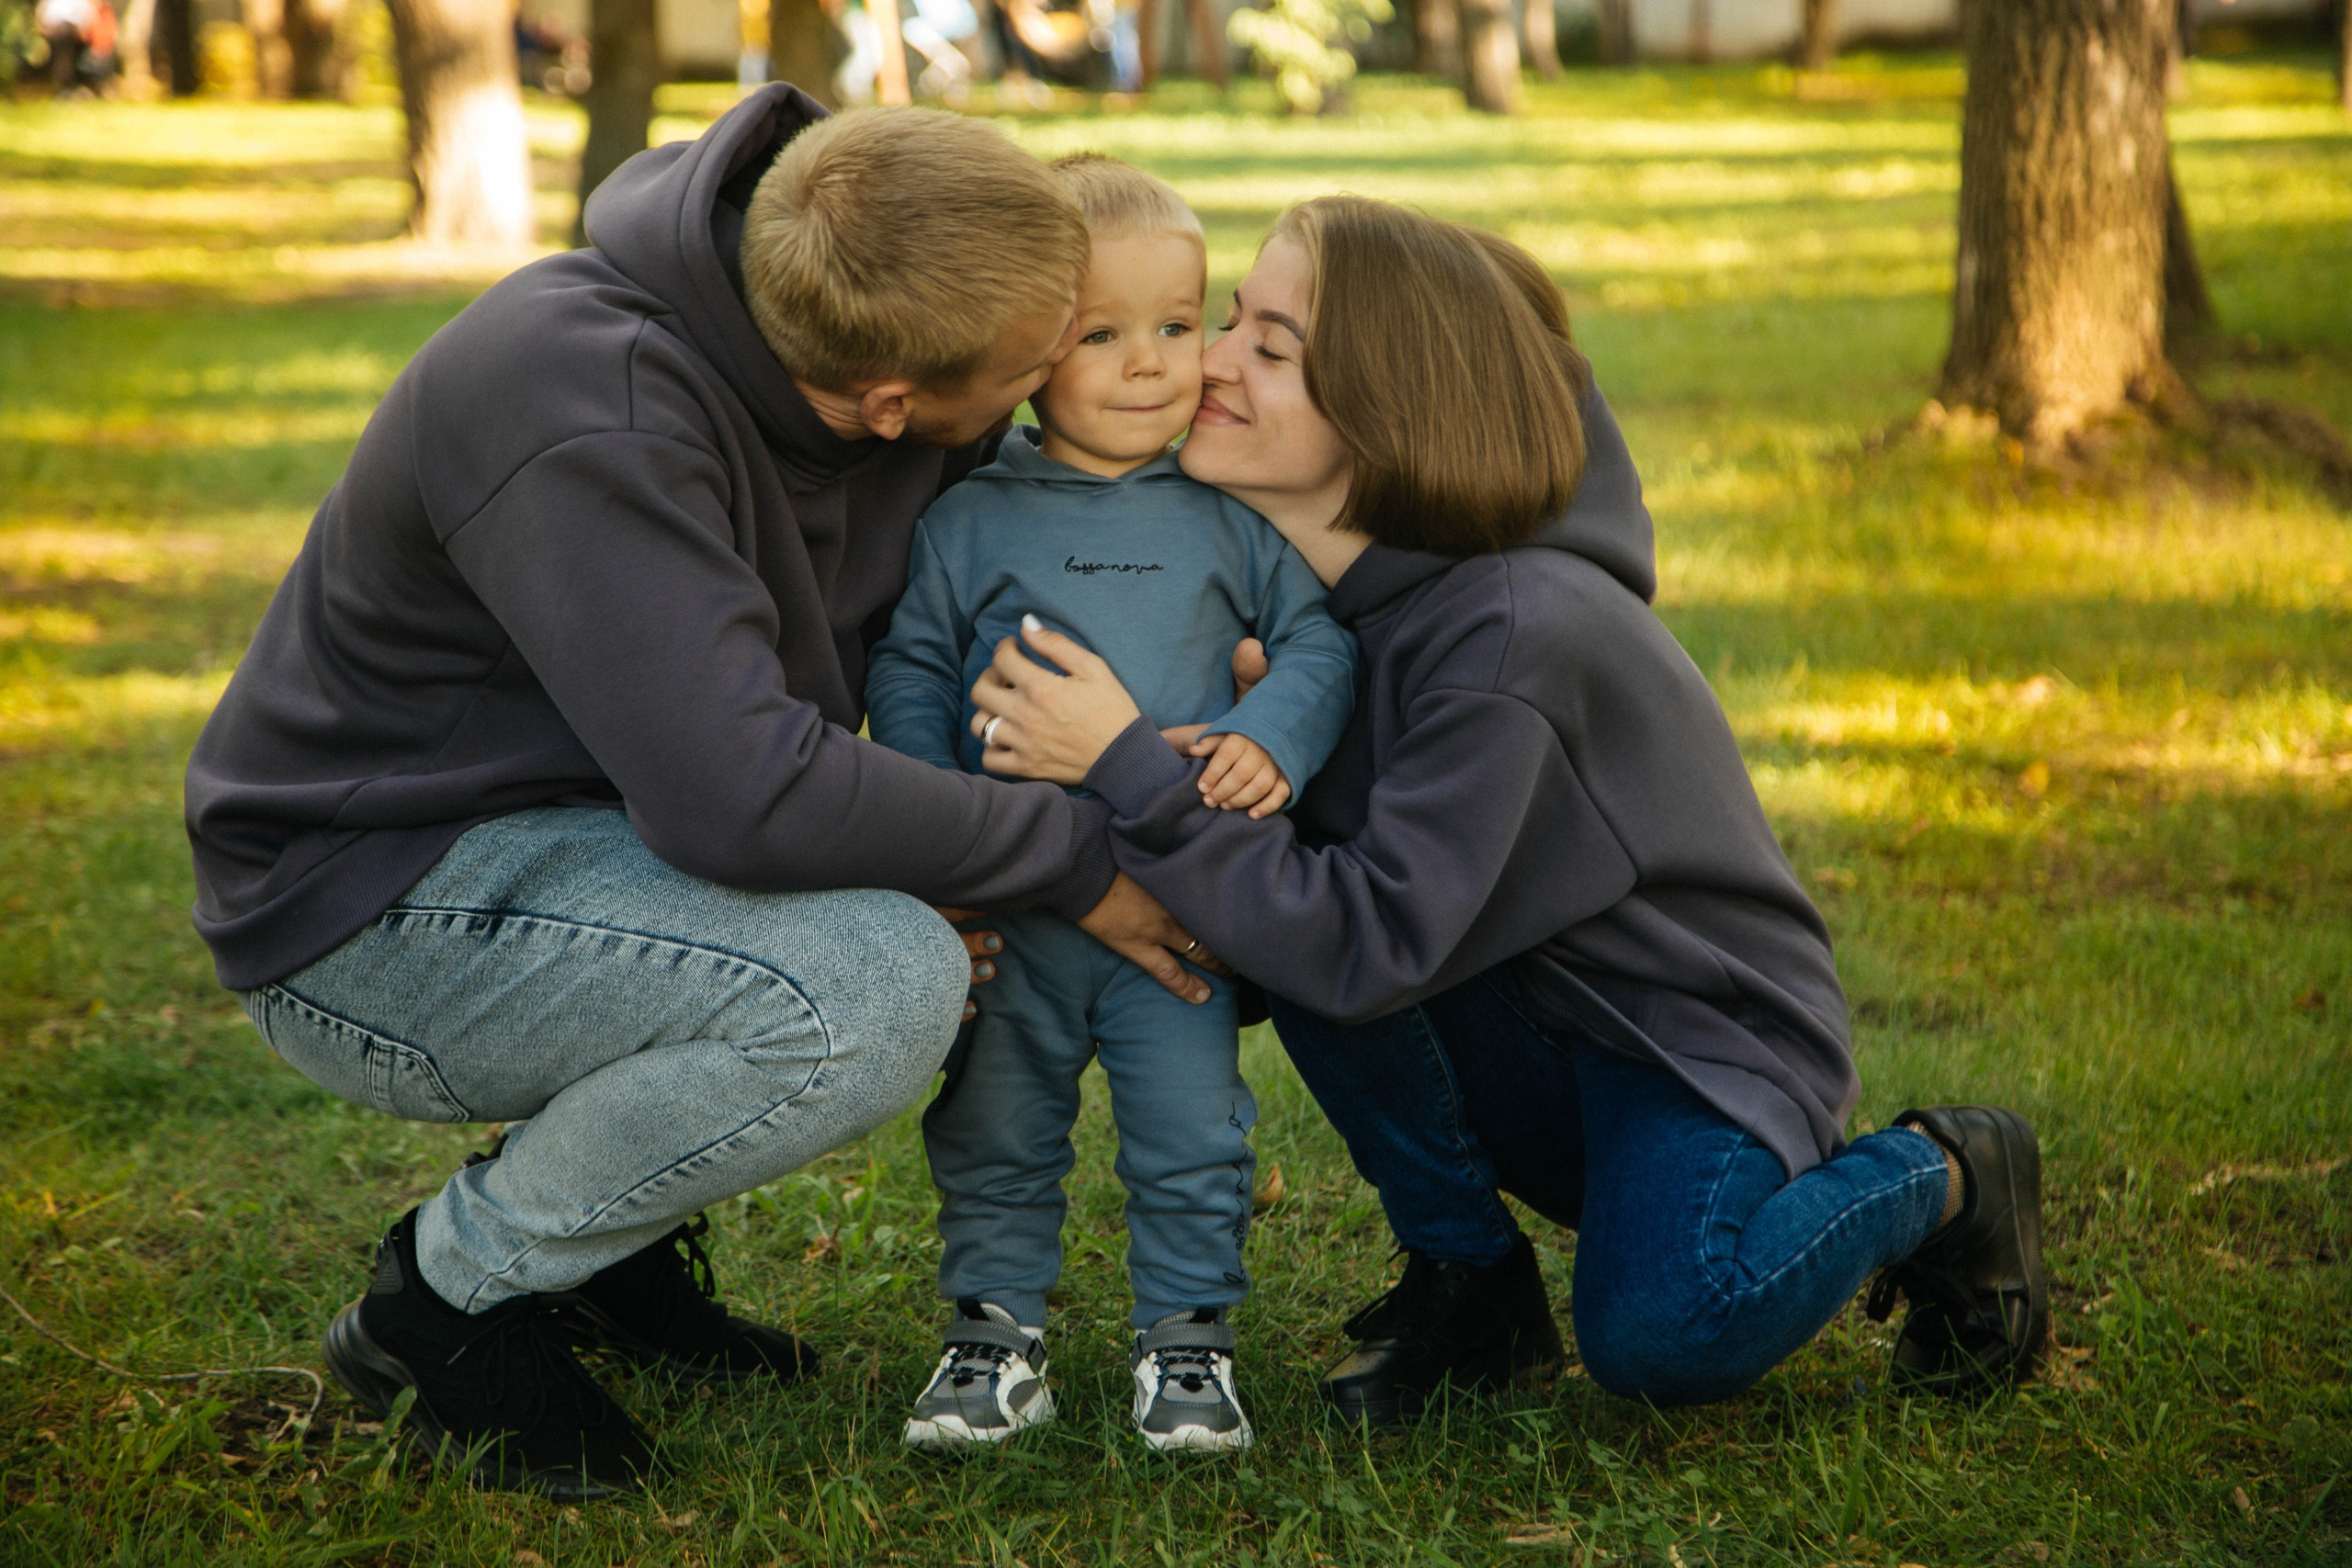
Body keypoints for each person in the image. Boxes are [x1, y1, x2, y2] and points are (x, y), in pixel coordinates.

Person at [183, 95, 1215, 1500]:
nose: (1057, 385)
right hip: (373, 905)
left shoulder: (874, 299)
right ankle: (448, 1302)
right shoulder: (579, 399)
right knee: (870, 978)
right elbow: (743, 799)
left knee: (874, 906)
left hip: (602, 833)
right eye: (1040, 364)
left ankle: (604, 1254)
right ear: (893, 407)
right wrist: (1072, 859)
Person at [964, 195, 2051, 1426]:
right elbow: (1274, 945)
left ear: (1389, 417)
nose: (1207, 359)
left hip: (1689, 1053)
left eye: (1270, 348)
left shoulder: (1513, 638)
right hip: (1522, 1018)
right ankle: (1473, 1289)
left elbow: (1359, 944)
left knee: (1667, 1332)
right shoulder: (1305, 613)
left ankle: (1951, 1170)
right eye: (1232, 322)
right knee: (1297, 892)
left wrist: (1131, 767)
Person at [865, 154, 1357, 1454]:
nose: (1152, 364)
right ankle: (991, 1336)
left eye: (1179, 327)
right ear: (1028, 354)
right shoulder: (967, 518)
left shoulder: (1228, 513)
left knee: (1193, 1129)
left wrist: (1271, 737)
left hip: (1172, 905)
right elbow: (912, 666)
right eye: (1101, 334)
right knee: (990, 1118)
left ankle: (1189, 1347)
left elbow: (1319, 646)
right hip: (1012, 901)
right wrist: (931, 833)